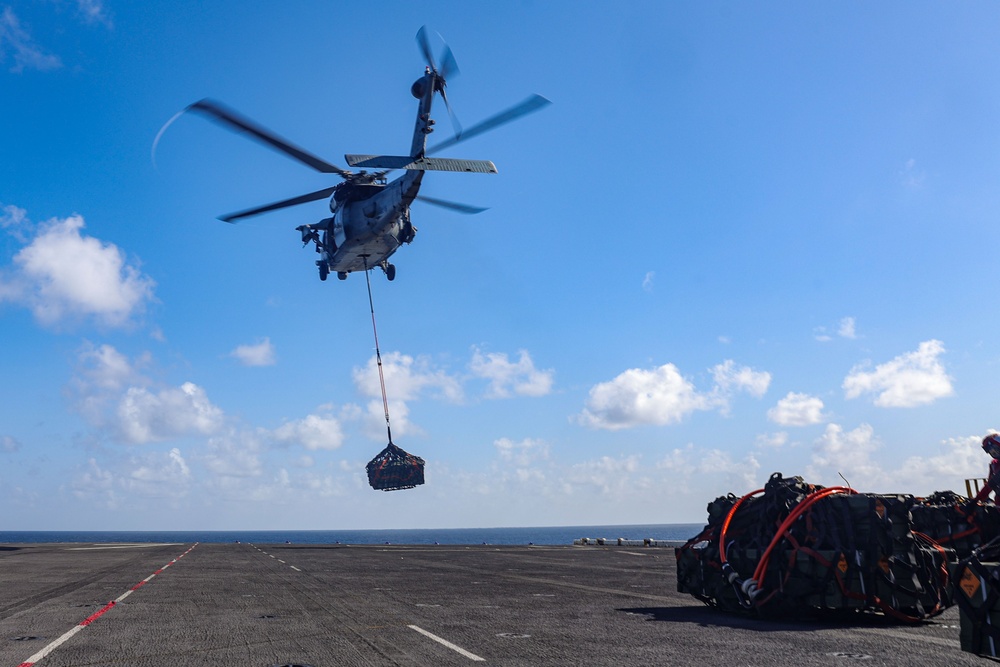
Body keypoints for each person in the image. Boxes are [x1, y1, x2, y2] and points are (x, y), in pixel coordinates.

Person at [974, 434, 1000, 502]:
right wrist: (976, 500)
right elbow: (989, 486)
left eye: (996, 449)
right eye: (991, 452)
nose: (994, 453)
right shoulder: (994, 464)